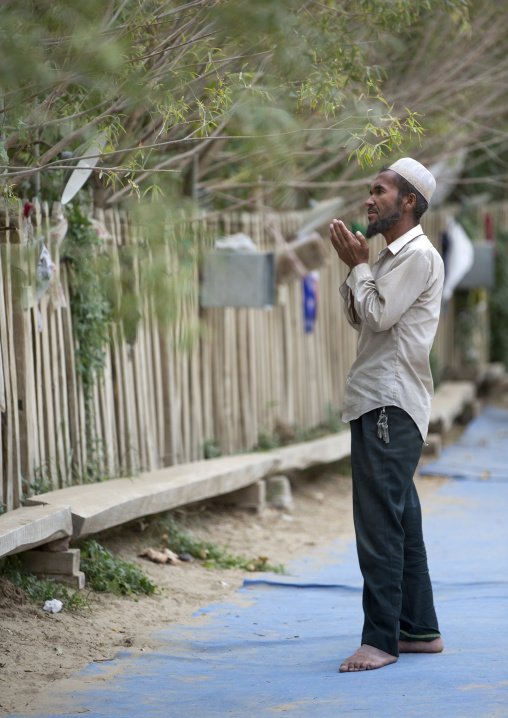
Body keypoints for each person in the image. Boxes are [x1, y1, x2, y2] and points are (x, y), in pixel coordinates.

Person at [329, 157, 445, 672]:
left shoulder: (417, 255)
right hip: (383, 403)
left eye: (379, 191)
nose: (369, 199)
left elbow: (376, 314)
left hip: (388, 407)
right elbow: (362, 314)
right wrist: (356, 266)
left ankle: (379, 640)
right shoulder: (390, 256)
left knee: (378, 525)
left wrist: (357, 267)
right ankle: (419, 630)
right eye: (369, 191)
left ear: (409, 203)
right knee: (402, 521)